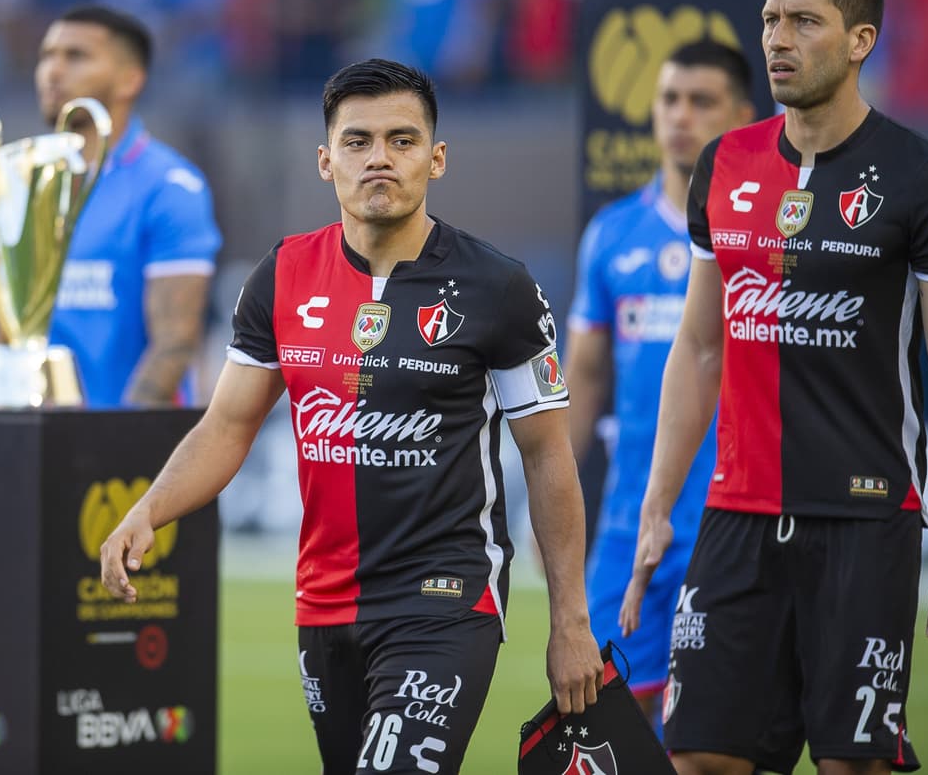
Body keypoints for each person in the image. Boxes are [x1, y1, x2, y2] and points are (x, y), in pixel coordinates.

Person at [100, 58, 604, 773]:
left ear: (436, 159)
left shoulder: (499, 287)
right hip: (324, 602)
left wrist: (569, 622)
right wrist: (149, 509)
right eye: (358, 140)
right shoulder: (280, 277)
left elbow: (549, 454)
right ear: (325, 159)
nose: (379, 159)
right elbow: (227, 426)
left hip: (445, 600)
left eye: (402, 141)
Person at [620, 0, 928, 775]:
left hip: (863, 519)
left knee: (854, 764)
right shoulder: (725, 164)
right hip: (736, 516)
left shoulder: (924, 178)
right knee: (699, 755)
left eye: (804, 22)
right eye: (773, 19)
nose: (779, 38)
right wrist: (657, 504)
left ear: (860, 40)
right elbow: (701, 346)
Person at [565, 41, 755, 725]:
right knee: (603, 726)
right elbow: (583, 377)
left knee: (716, 741)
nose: (680, 116)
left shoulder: (765, 231)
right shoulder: (612, 234)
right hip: (627, 528)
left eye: (701, 101)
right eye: (669, 99)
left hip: (736, 527)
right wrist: (551, 504)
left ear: (739, 115)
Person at [35, 4, 221, 407]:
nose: (53, 71)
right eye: (47, 56)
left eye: (76, 56)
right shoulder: (31, 185)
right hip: (38, 444)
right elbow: (13, 335)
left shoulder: (169, 188)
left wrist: (109, 446)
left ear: (129, 81)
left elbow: (174, 344)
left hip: (132, 452)